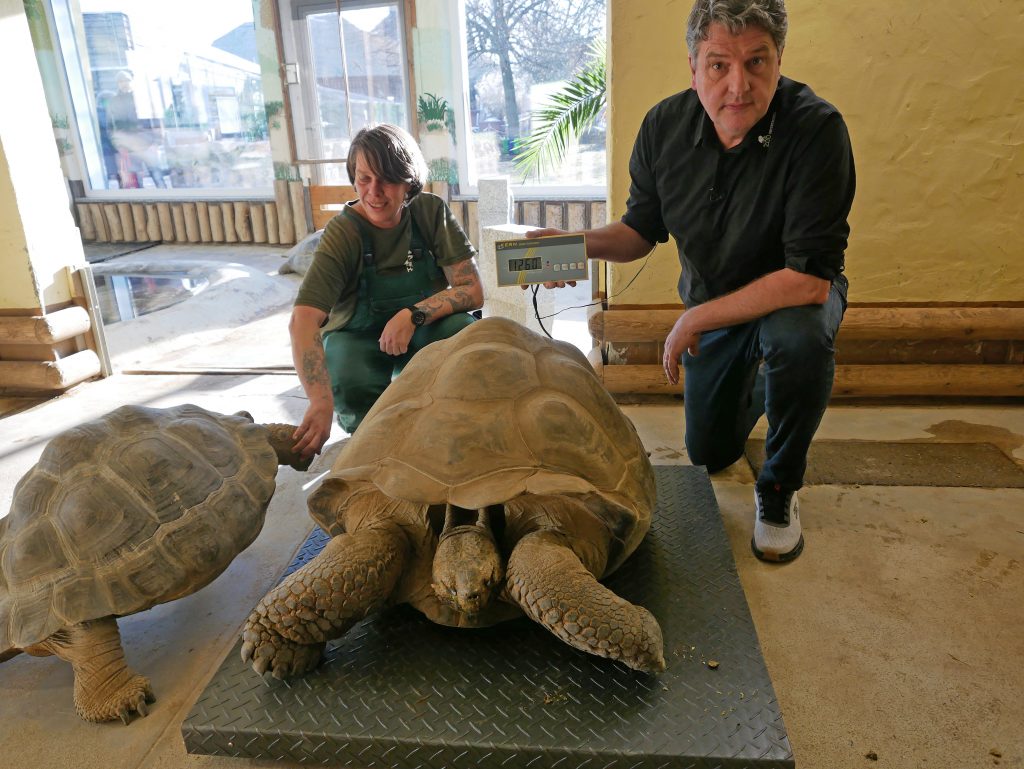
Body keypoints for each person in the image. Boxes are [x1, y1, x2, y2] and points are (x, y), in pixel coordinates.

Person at [528, 0, 855, 562]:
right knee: (708, 452)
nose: (738, 86)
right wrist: (569, 247)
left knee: (797, 340)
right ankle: (769, 386)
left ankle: (779, 489)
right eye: (719, 65)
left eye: (757, 62)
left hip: (792, 299)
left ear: (780, 61)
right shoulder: (663, 128)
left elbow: (808, 283)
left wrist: (694, 318)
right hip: (714, 308)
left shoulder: (817, 130)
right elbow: (639, 232)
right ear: (693, 66)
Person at [290, 124, 484, 458]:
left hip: (424, 326)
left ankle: (450, 433)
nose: (374, 192)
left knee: (466, 340)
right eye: (364, 178)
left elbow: (473, 289)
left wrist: (413, 314)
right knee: (349, 376)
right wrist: (320, 403)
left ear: (409, 181)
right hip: (358, 335)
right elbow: (303, 320)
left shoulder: (429, 212)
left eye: (387, 179)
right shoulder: (344, 232)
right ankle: (377, 448)